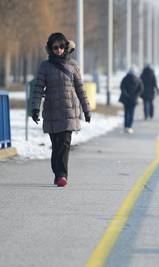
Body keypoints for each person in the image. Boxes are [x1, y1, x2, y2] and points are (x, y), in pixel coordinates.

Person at [31, 32, 91, 187]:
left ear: (66, 47)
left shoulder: (73, 66)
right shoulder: (45, 66)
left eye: (61, 47)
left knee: (64, 143)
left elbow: (81, 90)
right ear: (51, 49)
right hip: (52, 112)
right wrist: (35, 109)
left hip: (69, 111)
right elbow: (38, 88)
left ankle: (62, 175)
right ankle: (57, 171)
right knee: (56, 145)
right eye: (55, 47)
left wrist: (87, 110)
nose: (59, 50)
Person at [119, 65, 144, 133]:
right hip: (133, 99)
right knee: (131, 113)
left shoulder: (125, 78)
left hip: (126, 99)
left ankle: (126, 126)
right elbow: (141, 88)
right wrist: (136, 95)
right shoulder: (138, 79)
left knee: (126, 113)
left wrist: (126, 94)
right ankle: (129, 126)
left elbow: (122, 87)